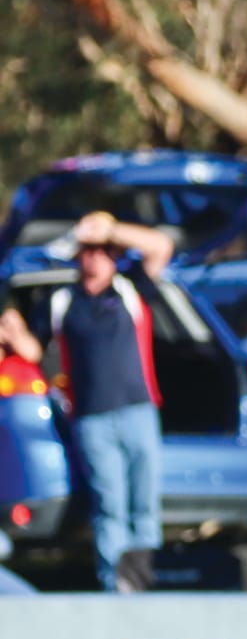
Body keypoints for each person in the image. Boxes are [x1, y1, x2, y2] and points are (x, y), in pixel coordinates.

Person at [15, 211, 175, 591]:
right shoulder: (60, 302)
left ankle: (140, 580)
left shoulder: (130, 288)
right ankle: (114, 584)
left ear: (113, 256)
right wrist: (14, 331)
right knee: (110, 506)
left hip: (139, 410)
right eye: (86, 251)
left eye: (102, 251)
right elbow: (34, 350)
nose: (93, 258)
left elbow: (161, 246)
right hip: (91, 418)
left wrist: (111, 229)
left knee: (145, 504)